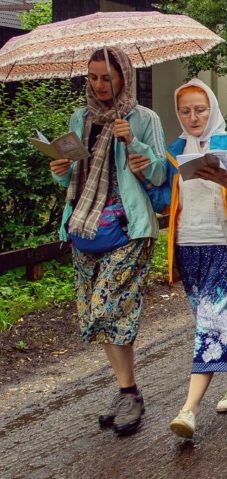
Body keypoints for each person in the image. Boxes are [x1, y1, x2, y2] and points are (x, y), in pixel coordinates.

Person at [48, 48, 166, 437]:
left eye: (107, 78)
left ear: (124, 78)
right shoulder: (80, 118)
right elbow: (71, 180)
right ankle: (127, 390)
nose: (100, 85)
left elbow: (160, 175)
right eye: (94, 77)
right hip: (84, 228)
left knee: (108, 306)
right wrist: (60, 170)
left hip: (129, 228)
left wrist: (136, 144)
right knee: (96, 316)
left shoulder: (143, 118)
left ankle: (130, 394)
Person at [149, 79, 227, 440]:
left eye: (199, 109)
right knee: (215, 325)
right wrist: (145, 173)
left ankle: (189, 409)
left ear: (211, 107)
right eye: (185, 110)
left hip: (226, 248)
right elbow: (160, 203)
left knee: (211, 327)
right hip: (188, 249)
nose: (193, 116)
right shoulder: (174, 150)